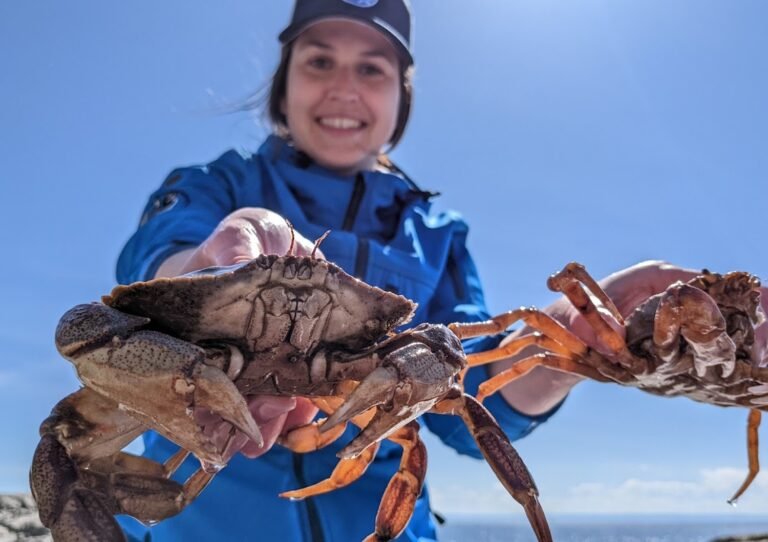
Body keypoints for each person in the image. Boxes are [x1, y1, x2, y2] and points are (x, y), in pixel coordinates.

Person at [114, 1, 717, 540]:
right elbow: (158, 257)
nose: (344, 88)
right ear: (282, 84)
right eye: (319, 62)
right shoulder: (216, 185)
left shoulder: (439, 235)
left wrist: (573, 333)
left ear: (402, 97)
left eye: (372, 69)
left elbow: (472, 388)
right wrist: (202, 276)